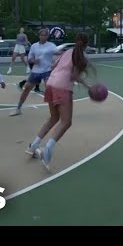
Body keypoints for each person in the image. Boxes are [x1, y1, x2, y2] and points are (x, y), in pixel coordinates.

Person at [26, 32, 93, 172]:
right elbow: (74, 75)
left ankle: (34, 145)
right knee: (66, 121)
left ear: (76, 41)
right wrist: (86, 85)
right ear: (86, 44)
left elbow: (53, 66)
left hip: (51, 83)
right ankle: (47, 150)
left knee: (54, 117)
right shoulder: (82, 56)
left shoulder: (68, 51)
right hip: (62, 87)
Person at [10, 28, 59, 116]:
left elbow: (58, 53)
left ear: (47, 36)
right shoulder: (34, 46)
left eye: (45, 35)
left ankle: (55, 112)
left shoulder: (51, 45)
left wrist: (57, 62)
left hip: (47, 71)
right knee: (27, 89)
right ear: (39, 36)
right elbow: (29, 59)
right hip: (36, 71)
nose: (43, 36)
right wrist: (34, 61)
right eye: (42, 35)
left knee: (49, 89)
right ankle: (18, 109)